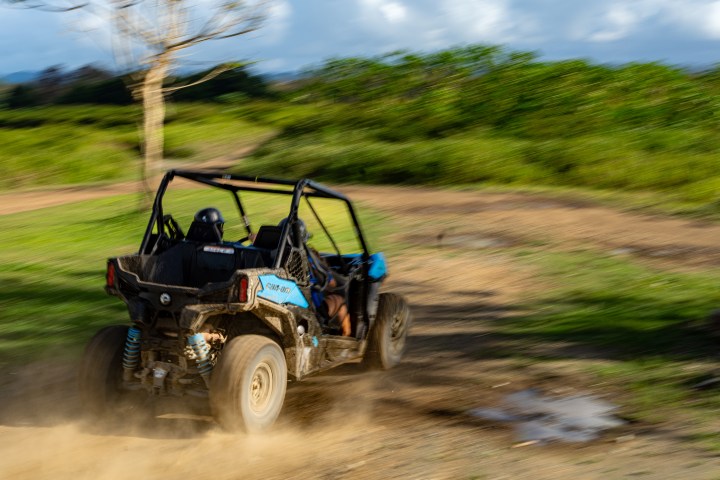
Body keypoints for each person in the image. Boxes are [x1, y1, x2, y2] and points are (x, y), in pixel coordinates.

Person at [279, 217, 352, 337]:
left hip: (285, 300)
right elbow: (331, 283)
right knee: (341, 301)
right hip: (310, 309)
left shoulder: (276, 254)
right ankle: (346, 338)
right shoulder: (307, 258)